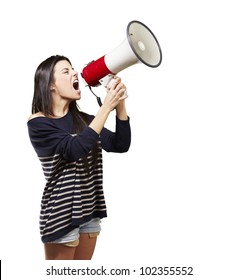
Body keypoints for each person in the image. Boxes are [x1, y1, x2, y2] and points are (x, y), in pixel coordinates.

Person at [27, 55, 131, 260]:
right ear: (50, 85)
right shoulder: (38, 123)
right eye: (66, 71)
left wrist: (119, 104)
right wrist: (106, 107)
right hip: (61, 214)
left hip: (89, 210)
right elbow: (75, 149)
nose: (75, 73)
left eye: (73, 69)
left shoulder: (87, 121)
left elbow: (120, 145)